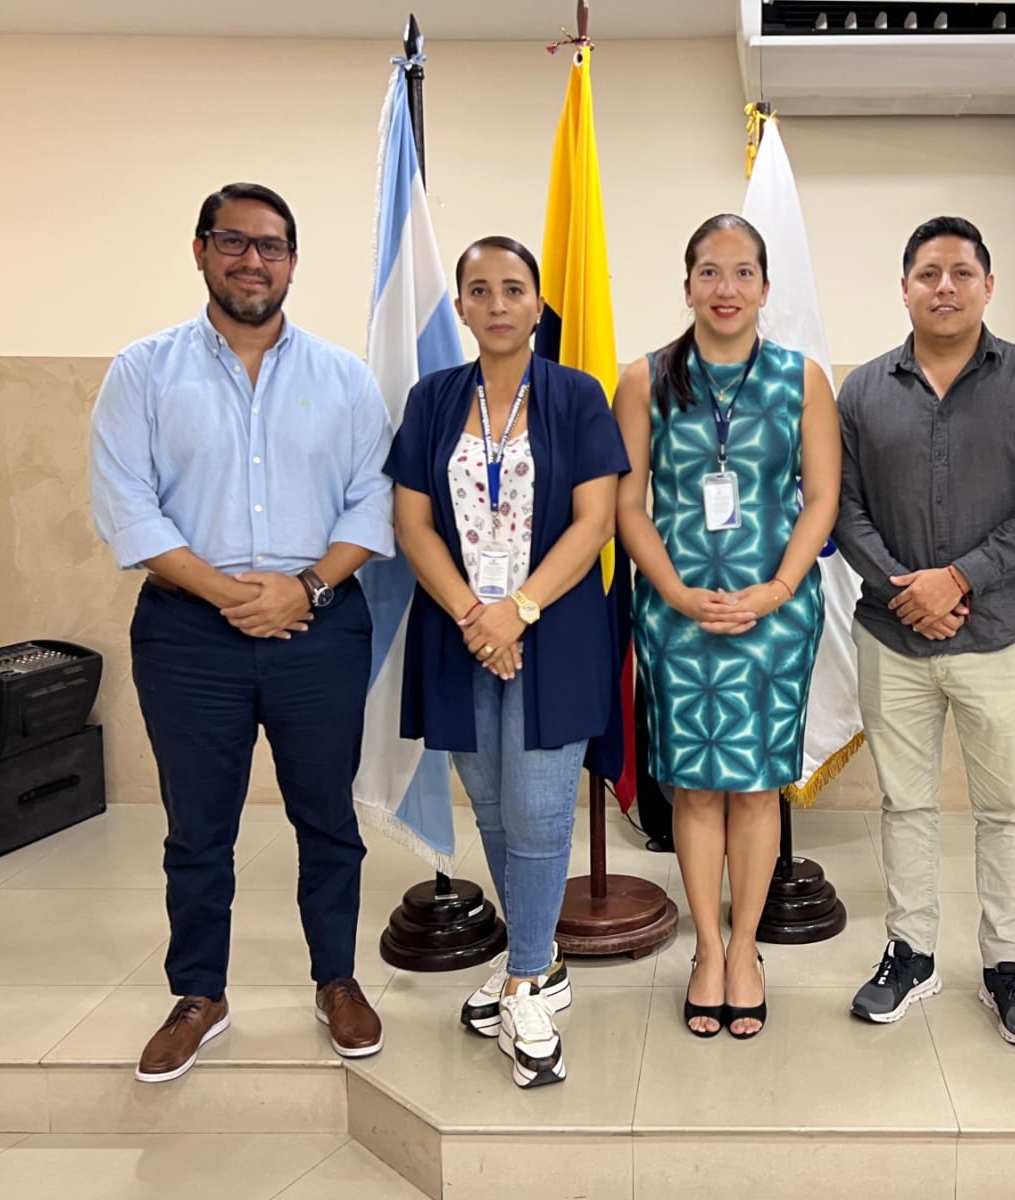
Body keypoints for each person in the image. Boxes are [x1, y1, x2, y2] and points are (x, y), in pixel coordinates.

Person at [89, 182, 390, 1083]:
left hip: (320, 629)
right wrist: (233, 595)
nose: (252, 261)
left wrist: (305, 589)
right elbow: (127, 506)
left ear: (293, 263)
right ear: (200, 250)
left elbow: (373, 500)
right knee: (198, 827)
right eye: (233, 241)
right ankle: (199, 995)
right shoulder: (143, 372)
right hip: (189, 635)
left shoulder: (343, 378)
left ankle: (336, 980)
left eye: (272, 247)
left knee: (327, 818)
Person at [386, 236, 628, 1089]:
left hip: (553, 632)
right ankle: (540, 959)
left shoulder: (576, 394)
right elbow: (412, 522)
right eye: (480, 290)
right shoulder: (432, 399)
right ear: (460, 306)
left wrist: (516, 610)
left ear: (537, 305)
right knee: (491, 806)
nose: (497, 304)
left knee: (538, 811)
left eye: (513, 289)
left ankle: (526, 976)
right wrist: (474, 615)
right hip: (459, 632)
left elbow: (596, 521)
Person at [835, 217, 1015, 1043]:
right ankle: (911, 953)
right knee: (905, 804)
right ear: (904, 288)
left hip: (997, 633)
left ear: (988, 286)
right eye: (929, 273)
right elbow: (844, 508)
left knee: (1004, 809)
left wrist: (960, 578)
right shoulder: (863, 392)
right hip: (891, 634)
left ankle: (1006, 964)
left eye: (962, 272)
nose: (945, 286)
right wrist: (908, 591)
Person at [615, 214, 838, 1040]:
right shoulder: (644, 379)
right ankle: (707, 949)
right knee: (696, 787)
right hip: (678, 614)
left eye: (744, 273)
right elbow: (627, 504)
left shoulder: (801, 379)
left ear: (766, 288)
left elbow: (821, 498)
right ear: (687, 286)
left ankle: (746, 950)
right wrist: (675, 591)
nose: (726, 289)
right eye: (710, 272)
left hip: (773, 616)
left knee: (754, 786)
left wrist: (776, 588)